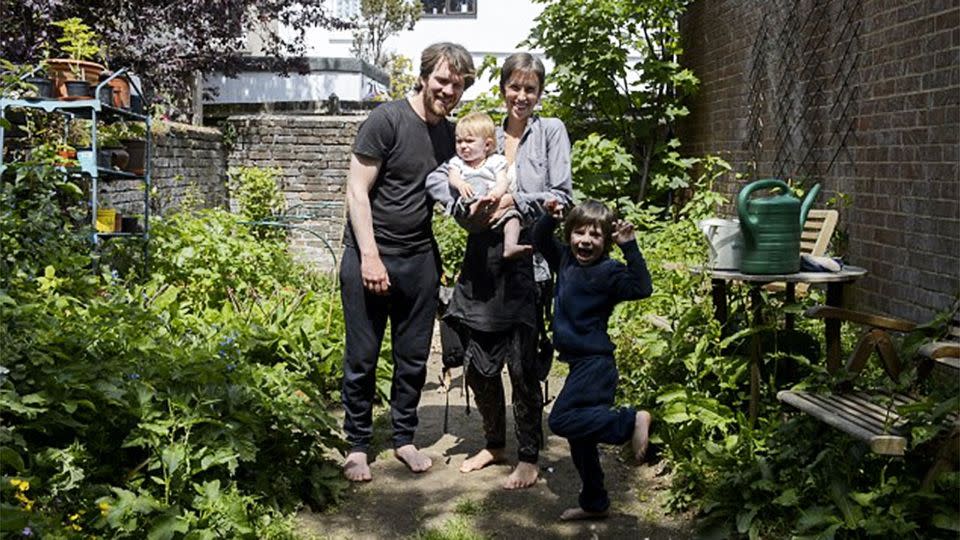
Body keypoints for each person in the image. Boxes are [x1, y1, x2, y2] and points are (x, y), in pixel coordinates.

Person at [427, 52, 573, 490]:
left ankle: (528, 454)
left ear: (540, 92)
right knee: (477, 361)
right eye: (515, 86)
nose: (521, 96)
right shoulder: (479, 131)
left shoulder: (550, 132)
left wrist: (514, 201)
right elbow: (439, 175)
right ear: (503, 87)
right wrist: (461, 206)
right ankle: (494, 443)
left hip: (526, 256)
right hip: (480, 262)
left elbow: (561, 195)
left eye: (530, 88)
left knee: (523, 363)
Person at [340, 42, 475, 482]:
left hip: (419, 258)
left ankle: (404, 438)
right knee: (362, 357)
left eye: (457, 84)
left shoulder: (448, 134)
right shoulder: (387, 120)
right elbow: (356, 191)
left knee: (414, 358)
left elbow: (468, 182)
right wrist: (371, 258)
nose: (448, 90)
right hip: (369, 255)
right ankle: (357, 446)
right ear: (422, 77)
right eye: (441, 80)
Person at [532, 198, 654, 521]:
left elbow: (642, 287)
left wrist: (630, 247)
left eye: (596, 235)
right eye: (579, 232)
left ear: (606, 241)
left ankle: (630, 421)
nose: (585, 240)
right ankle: (595, 502)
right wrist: (549, 217)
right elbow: (539, 239)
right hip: (579, 364)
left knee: (559, 420)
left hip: (596, 364)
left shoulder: (610, 272)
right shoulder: (565, 261)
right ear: (570, 233)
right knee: (580, 438)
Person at [446, 112, 530, 260]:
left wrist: (496, 194)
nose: (463, 146)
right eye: (459, 141)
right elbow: (452, 177)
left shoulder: (495, 161)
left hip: (493, 203)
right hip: (470, 202)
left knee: (513, 217)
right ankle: (475, 210)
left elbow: (502, 181)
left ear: (487, 145)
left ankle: (510, 246)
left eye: (469, 141)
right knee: (464, 203)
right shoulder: (457, 162)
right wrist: (460, 184)